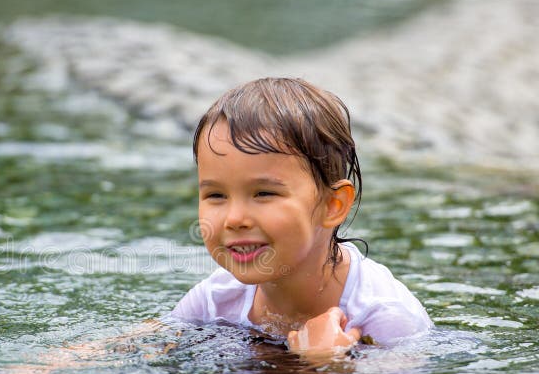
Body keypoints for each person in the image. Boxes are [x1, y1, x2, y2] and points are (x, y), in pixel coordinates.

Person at [170, 77, 431, 355]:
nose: (234, 219)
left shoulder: (385, 320)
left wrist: (326, 364)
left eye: (264, 194)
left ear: (333, 204)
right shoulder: (217, 299)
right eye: (216, 196)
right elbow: (137, 353)